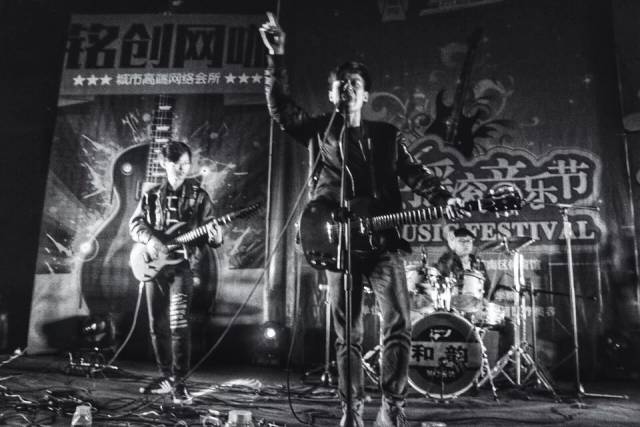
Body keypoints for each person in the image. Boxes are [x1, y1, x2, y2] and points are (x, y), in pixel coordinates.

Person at [260, 16, 469, 427]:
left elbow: (414, 173)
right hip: (339, 245)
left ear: (366, 93)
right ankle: (351, 410)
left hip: (383, 243)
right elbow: (281, 109)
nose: (348, 87)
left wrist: (443, 198)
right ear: (331, 92)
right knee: (348, 336)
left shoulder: (387, 136)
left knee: (399, 325)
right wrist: (276, 56)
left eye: (355, 82)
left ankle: (392, 407)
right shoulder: (320, 132)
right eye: (341, 83)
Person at [129, 140, 223, 404]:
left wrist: (216, 236)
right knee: (157, 325)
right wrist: (150, 240)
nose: (182, 169)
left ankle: (180, 382)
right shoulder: (150, 195)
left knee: (178, 324)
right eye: (176, 164)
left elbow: (211, 235)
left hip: (181, 268)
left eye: (186, 164)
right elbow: (135, 224)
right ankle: (165, 377)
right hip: (153, 267)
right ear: (163, 164)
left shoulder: (199, 196)